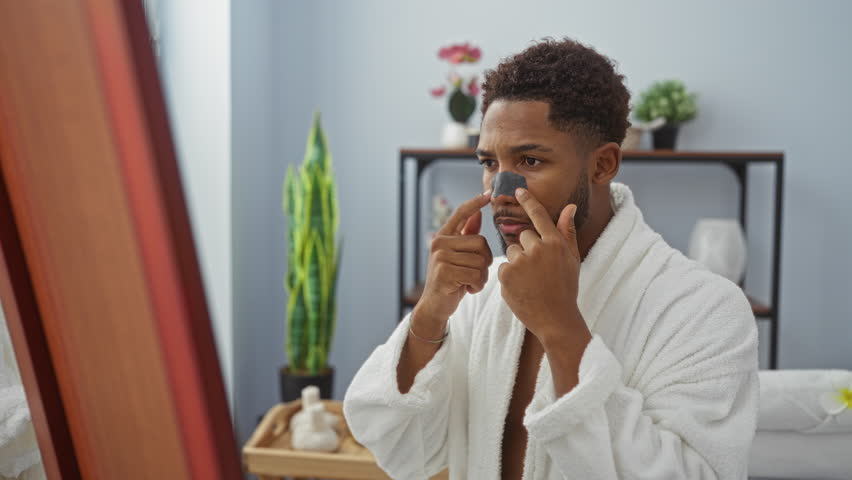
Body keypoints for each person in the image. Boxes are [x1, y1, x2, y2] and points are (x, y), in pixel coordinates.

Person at [344, 37, 758, 480]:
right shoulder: (482, 295)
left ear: (603, 165)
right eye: (489, 162)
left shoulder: (704, 309)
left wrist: (561, 327)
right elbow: (402, 450)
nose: (499, 191)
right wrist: (430, 314)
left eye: (529, 160)